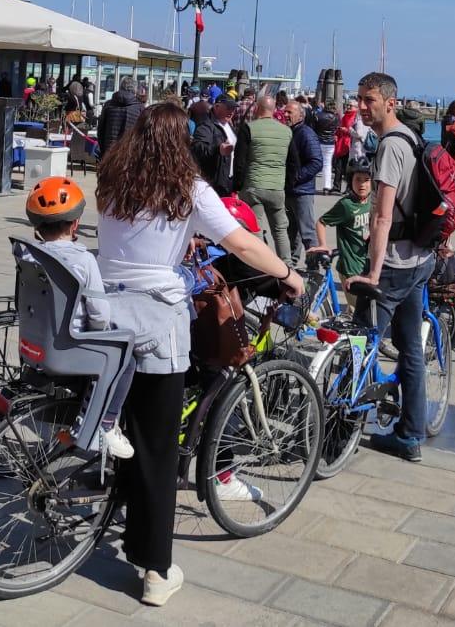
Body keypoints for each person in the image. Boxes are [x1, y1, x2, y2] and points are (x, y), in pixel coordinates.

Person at [93, 102, 302, 607]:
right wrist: (287, 275)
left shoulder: (111, 177)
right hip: (156, 325)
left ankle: (121, 514)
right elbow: (244, 245)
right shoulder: (189, 188)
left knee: (128, 427)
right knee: (159, 447)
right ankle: (156, 571)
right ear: (181, 142)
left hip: (104, 312)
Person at [346, 72, 437, 463]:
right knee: (410, 348)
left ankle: (340, 430)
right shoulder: (414, 138)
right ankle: (410, 434)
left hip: (397, 263)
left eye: (369, 100)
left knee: (362, 344)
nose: (363, 107)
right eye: (360, 99)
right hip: (420, 258)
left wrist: (373, 274)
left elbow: (381, 217)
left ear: (390, 102)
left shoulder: (388, 147)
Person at [23, 176, 134, 457]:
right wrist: (104, 328)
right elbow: (98, 313)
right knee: (127, 356)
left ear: (36, 226)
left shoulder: (28, 254)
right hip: (71, 346)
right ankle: (105, 424)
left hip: (35, 342)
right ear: (75, 224)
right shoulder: (84, 260)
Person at [236, 95, 294, 263]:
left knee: (255, 229)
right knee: (280, 229)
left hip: (254, 186)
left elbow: (240, 161)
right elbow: (293, 162)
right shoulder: (286, 131)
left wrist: (237, 186)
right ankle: (287, 265)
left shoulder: (249, 128)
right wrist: (286, 185)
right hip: (276, 187)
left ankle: (262, 265)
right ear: (274, 110)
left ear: (256, 109)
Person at [315, 161, 373, 310]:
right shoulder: (346, 205)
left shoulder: (372, 201)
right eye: (357, 179)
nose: (362, 185)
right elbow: (321, 222)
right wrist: (323, 244)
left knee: (357, 310)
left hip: (367, 265)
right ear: (350, 181)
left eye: (366, 180)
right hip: (351, 266)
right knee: (359, 310)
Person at [284, 101, 323, 265]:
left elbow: (316, 162)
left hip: (302, 191)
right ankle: (292, 262)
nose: (286, 115)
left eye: (289, 112)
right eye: (285, 112)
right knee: (292, 230)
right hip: (291, 190)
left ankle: (313, 267)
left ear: (301, 115)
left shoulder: (306, 133)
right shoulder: (291, 131)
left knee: (307, 232)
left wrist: (296, 177)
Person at [190, 95, 238, 196]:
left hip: (229, 182)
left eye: (233, 109)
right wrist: (218, 149)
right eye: (228, 108)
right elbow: (197, 148)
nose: (232, 112)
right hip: (215, 184)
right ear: (216, 107)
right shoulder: (206, 125)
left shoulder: (229, 125)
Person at [97, 77, 144, 158]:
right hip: (129, 151)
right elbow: (142, 134)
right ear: (135, 90)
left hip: (109, 150)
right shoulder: (140, 108)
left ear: (120, 87)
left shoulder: (108, 105)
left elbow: (100, 129)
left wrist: (103, 150)